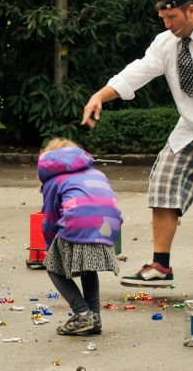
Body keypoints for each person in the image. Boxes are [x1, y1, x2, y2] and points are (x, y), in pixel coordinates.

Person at [82, 0, 193, 293]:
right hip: (191, 129)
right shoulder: (166, 43)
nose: (168, 24)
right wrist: (100, 95)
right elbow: (137, 72)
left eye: (173, 17)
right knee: (164, 184)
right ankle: (160, 266)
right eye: (164, 18)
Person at [38, 138, 122, 335]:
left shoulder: (54, 180)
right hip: (107, 225)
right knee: (88, 269)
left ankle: (82, 313)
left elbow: (50, 218)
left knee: (53, 267)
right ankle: (94, 316)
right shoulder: (96, 172)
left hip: (79, 222)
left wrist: (51, 247)